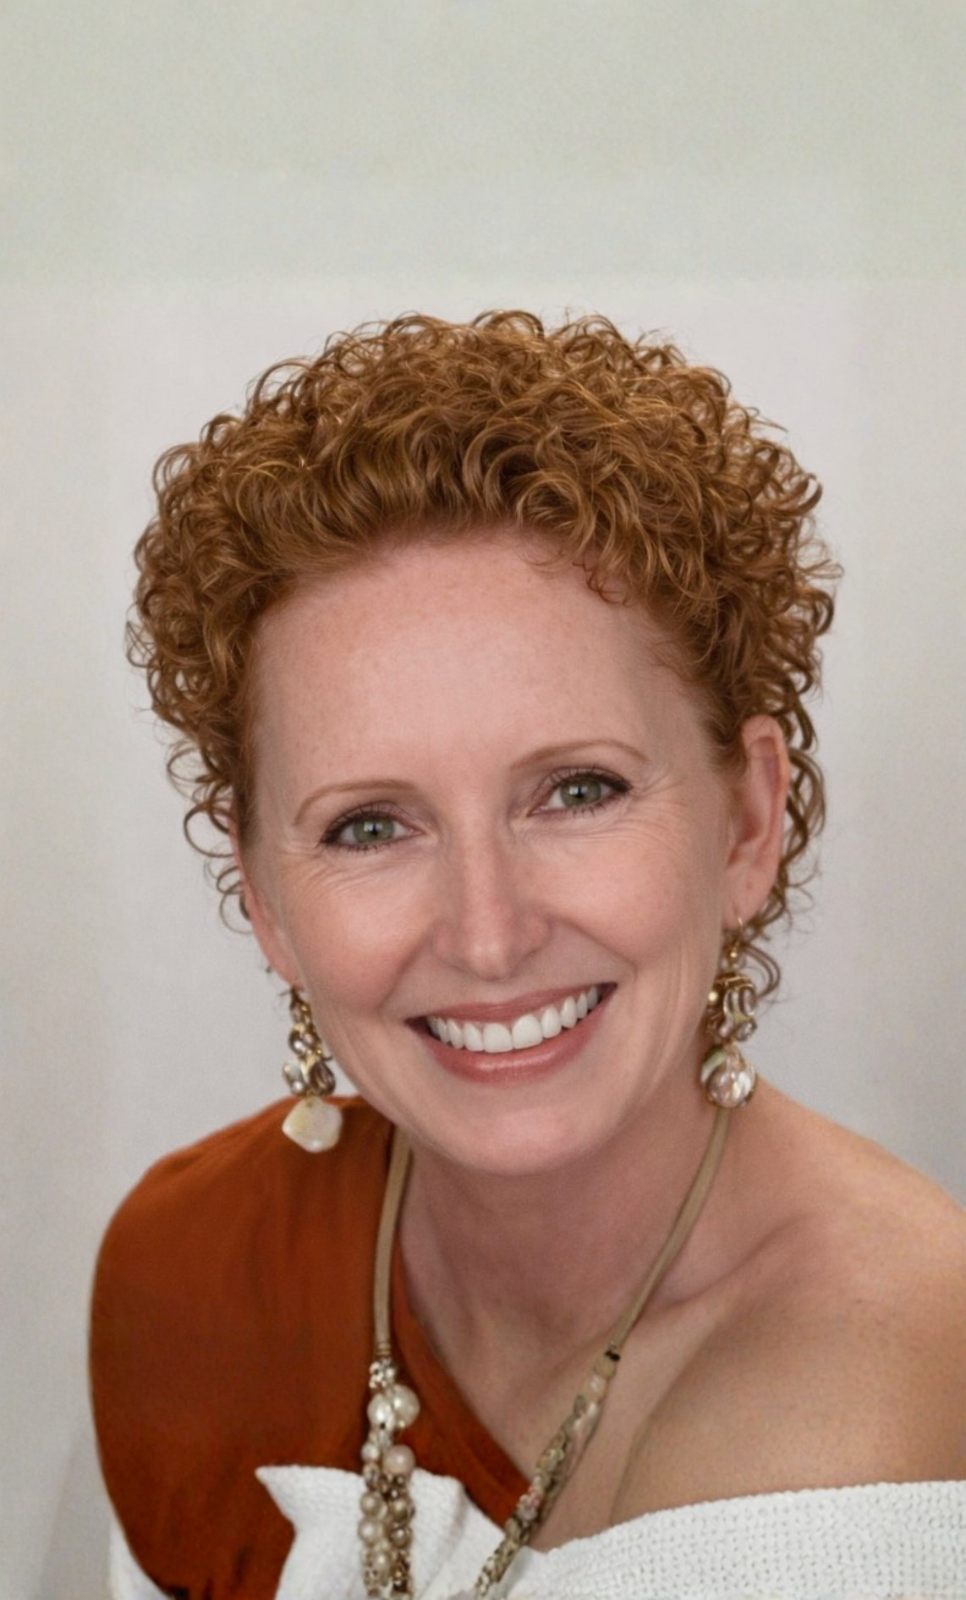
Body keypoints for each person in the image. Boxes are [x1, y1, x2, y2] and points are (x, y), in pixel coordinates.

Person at [90, 312, 966, 1600]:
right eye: (371, 824)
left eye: (577, 791)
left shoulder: (882, 1395)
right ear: (263, 891)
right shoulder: (194, 1271)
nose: (489, 934)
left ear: (748, 819)